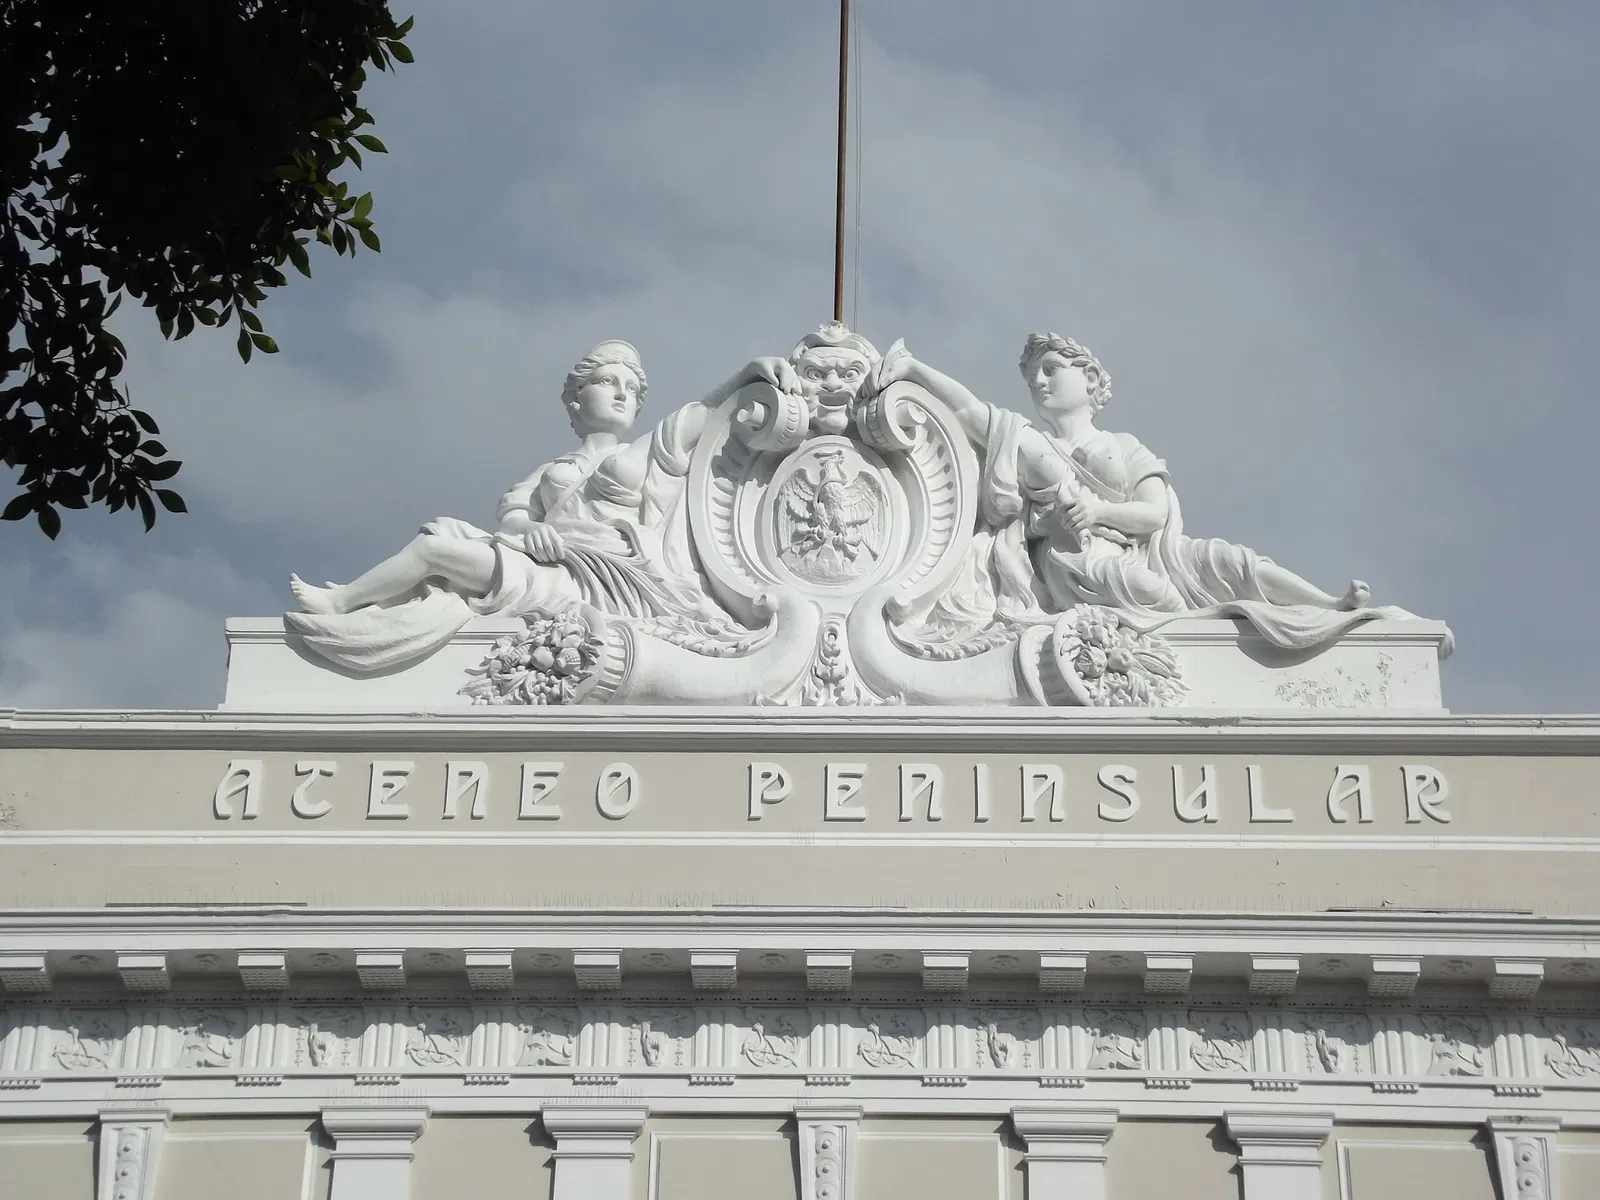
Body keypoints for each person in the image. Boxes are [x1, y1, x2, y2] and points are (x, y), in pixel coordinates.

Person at [876, 333, 1406, 650]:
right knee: (1146, 594)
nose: (1039, 381)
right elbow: (971, 412)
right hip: (1076, 561)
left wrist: (1099, 508)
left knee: (1231, 561)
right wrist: (915, 369)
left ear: (1090, 381)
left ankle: (1330, 609)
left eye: (1052, 370)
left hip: (1150, 552)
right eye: (1033, 374)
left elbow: (1154, 515)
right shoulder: (1029, 443)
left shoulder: (1123, 445)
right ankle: (1177, 620)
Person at [287, 340, 725, 671]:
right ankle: (344, 604)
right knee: (435, 541)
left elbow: (706, 413)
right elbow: (514, 515)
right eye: (608, 381)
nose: (621, 393)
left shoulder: (646, 456)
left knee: (435, 552)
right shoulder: (556, 468)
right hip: (544, 567)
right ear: (576, 397)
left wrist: (750, 377)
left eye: (631, 388)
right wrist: (529, 530)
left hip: (602, 580)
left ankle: (341, 602)